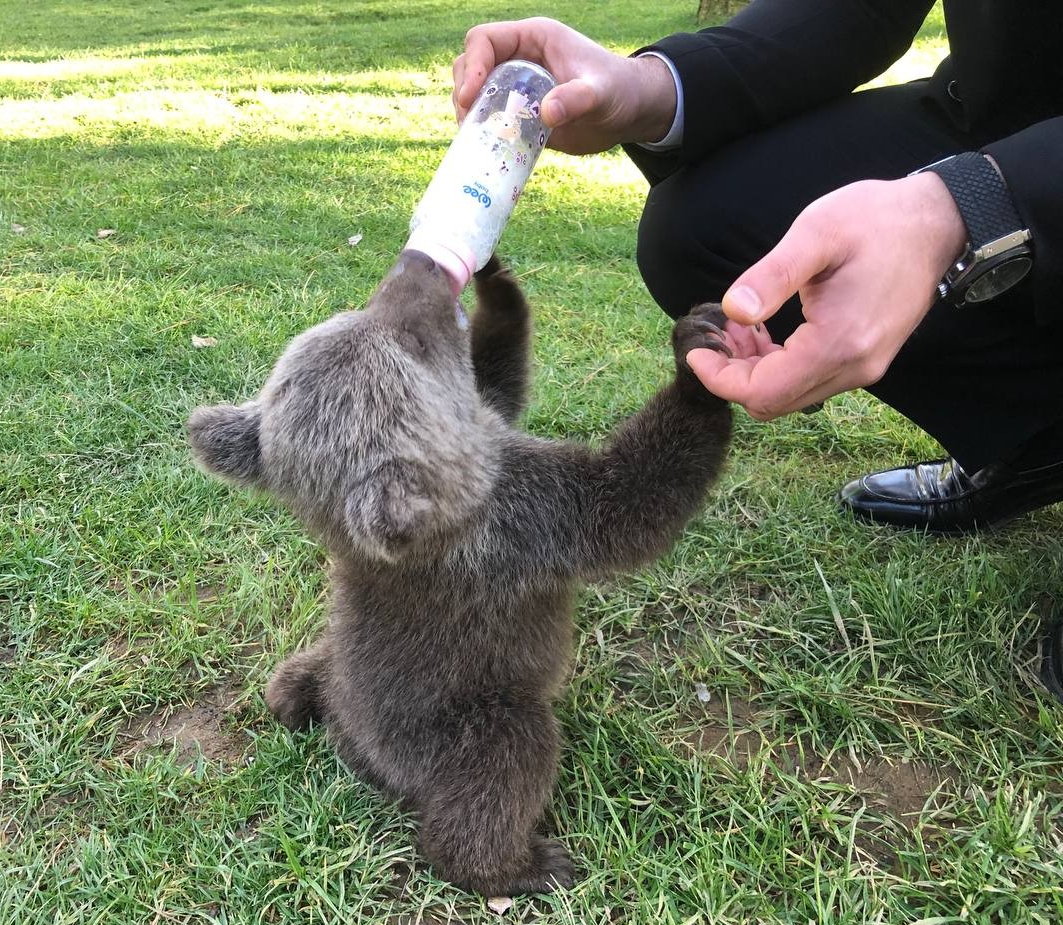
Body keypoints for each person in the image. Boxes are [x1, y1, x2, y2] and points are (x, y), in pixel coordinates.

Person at [452, 1, 1063, 698]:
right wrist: (649, 88)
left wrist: (968, 205)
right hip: (1003, 109)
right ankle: (1042, 438)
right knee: (707, 220)